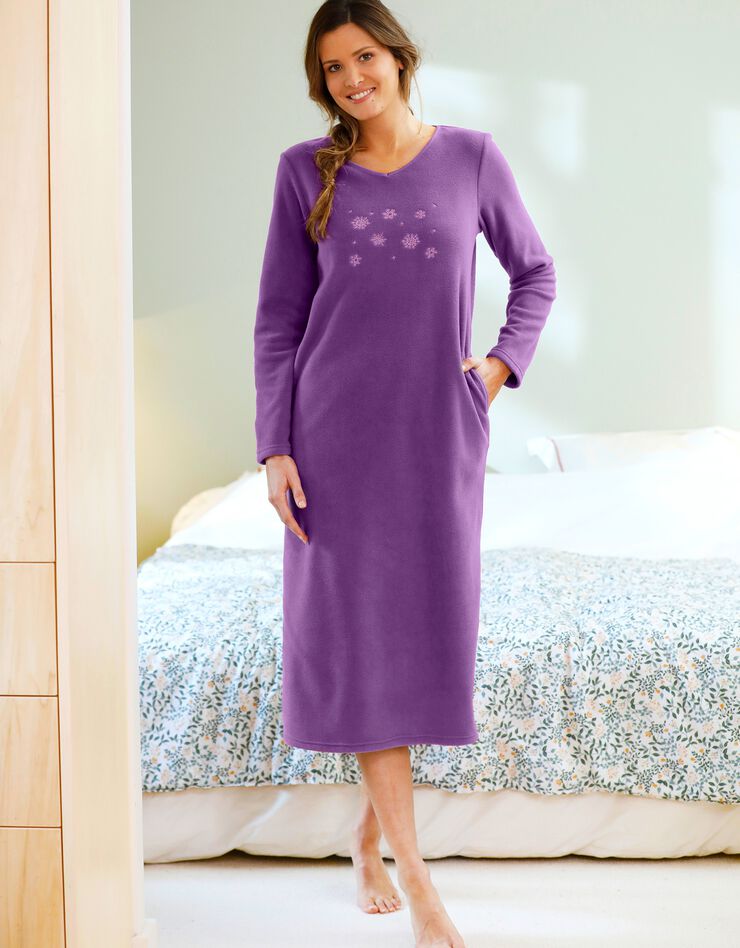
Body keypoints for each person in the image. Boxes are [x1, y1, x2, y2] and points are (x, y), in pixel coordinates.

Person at [253, 2, 556, 944]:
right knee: (361, 641)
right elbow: (278, 320)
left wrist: (496, 369)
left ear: (398, 58)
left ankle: (366, 836)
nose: (352, 79)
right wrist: (275, 446)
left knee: (418, 635)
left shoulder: (472, 157)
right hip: (331, 441)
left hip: (434, 435)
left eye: (364, 57)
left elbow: (536, 273)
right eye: (332, 67)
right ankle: (417, 881)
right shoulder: (305, 170)